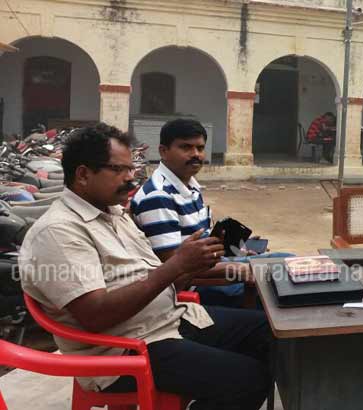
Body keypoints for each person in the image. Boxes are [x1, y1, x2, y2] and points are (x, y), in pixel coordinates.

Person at [19, 123, 272, 410]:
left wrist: (192, 265)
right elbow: (95, 316)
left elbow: (157, 279)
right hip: (124, 350)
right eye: (119, 170)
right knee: (248, 379)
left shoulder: (114, 213)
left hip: (169, 321)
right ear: (83, 174)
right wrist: (177, 264)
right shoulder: (58, 232)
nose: (131, 178)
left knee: (270, 333)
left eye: (132, 168)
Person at [131, 119, 291, 308]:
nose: (195, 154)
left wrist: (235, 251)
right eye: (186, 147)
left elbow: (202, 241)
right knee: (282, 285)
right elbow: (174, 268)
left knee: (288, 260)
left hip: (216, 264)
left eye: (200, 148)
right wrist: (239, 267)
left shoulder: (189, 185)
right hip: (196, 285)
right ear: (163, 151)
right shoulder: (158, 196)